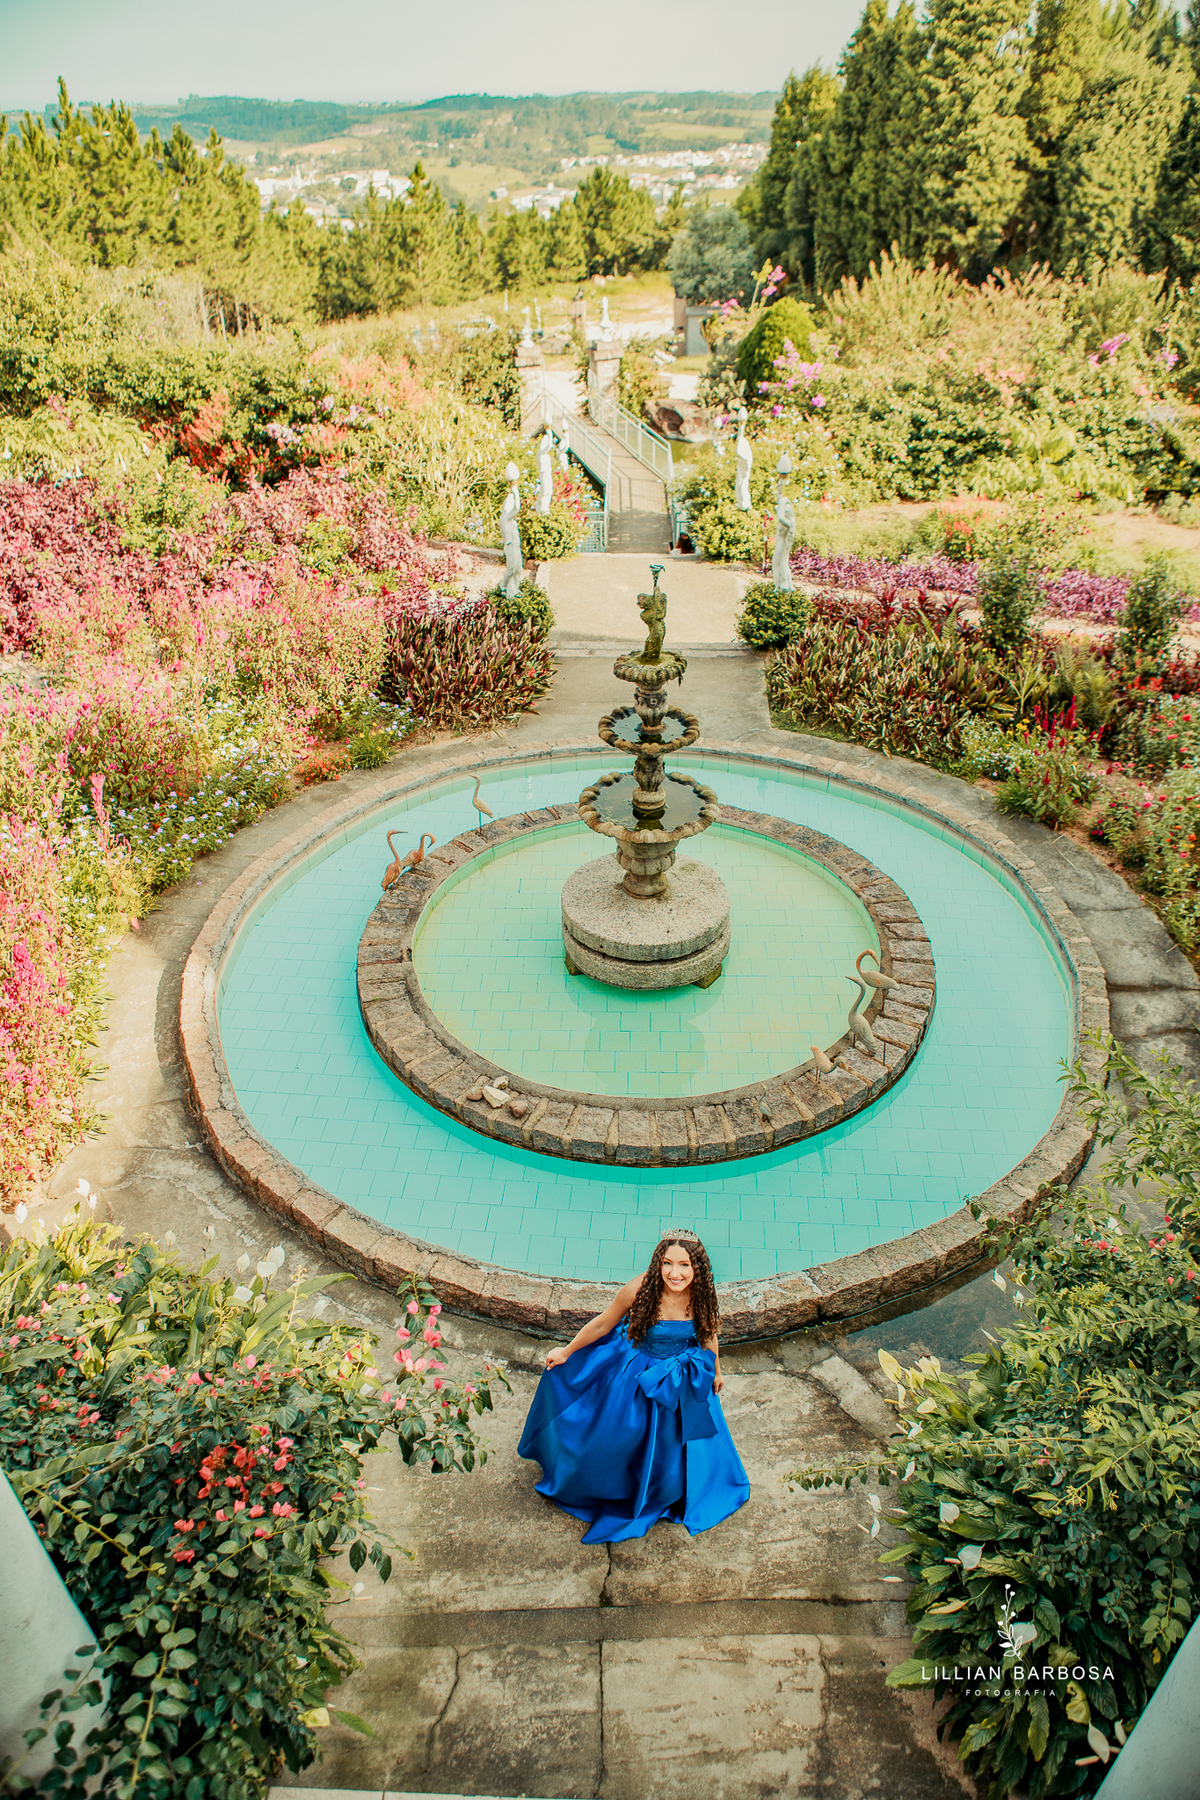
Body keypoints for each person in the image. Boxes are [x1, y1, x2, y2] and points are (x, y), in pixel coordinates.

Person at [517, 1232, 750, 1544]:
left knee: (677, 1446)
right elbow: (603, 1323)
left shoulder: (701, 1295)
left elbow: (708, 1334)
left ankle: (666, 1489)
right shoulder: (639, 1289)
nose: (675, 1273)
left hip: (680, 1382)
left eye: (684, 1265)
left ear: (697, 1267)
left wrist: (717, 1371)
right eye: (667, 1263)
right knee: (615, 1438)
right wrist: (566, 1351)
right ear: (658, 1263)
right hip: (637, 1375)